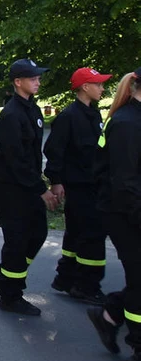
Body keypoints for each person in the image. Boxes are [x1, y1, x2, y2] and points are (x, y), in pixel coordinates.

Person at [0, 59, 60, 316]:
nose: (38, 81)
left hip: (29, 185)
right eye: (33, 78)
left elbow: (33, 156)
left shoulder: (33, 110)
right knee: (17, 241)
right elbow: (17, 159)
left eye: (38, 77)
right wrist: (41, 189)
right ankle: (11, 295)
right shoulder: (11, 114)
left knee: (37, 234)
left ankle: (2, 276)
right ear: (18, 82)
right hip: (13, 188)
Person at [45, 67, 112, 305]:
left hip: (92, 183)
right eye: (99, 84)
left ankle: (66, 278)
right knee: (92, 233)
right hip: (79, 185)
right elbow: (54, 150)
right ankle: (87, 285)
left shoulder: (93, 115)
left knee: (76, 232)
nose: (103, 88)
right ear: (85, 87)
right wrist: (56, 181)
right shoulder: (69, 117)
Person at [87, 70, 141, 361]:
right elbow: (124, 182)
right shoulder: (127, 123)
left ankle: (109, 315)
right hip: (124, 212)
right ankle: (138, 345)